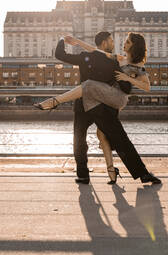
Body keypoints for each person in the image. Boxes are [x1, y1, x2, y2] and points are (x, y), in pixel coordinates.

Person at [36, 31, 161, 185]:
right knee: (112, 138)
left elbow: (145, 86)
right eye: (112, 40)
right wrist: (77, 41)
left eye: (127, 42)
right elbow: (96, 52)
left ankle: (85, 174)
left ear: (135, 46)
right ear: (105, 42)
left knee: (82, 137)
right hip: (102, 103)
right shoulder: (116, 59)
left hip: (98, 101)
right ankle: (131, 173)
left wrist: (127, 78)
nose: (120, 43)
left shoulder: (126, 62)